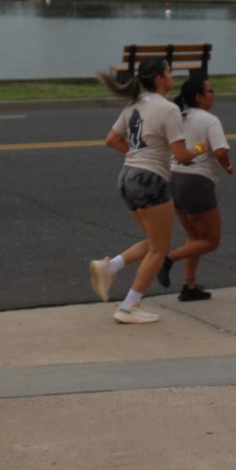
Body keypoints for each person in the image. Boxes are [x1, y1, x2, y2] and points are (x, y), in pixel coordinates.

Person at [89, 57, 203, 324]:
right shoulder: (169, 109)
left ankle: (110, 266)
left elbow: (112, 139)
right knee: (160, 249)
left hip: (127, 177)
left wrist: (138, 155)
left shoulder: (134, 103)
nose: (172, 75)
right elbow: (180, 155)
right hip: (151, 181)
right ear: (160, 78)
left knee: (154, 242)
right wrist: (200, 148)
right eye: (169, 71)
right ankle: (129, 306)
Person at [158, 72, 233, 301]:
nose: (213, 95)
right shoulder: (210, 120)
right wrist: (228, 166)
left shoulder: (178, 117)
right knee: (210, 240)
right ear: (199, 97)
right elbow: (220, 152)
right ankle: (168, 259)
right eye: (210, 91)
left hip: (174, 179)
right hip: (196, 183)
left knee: (193, 235)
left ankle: (189, 286)